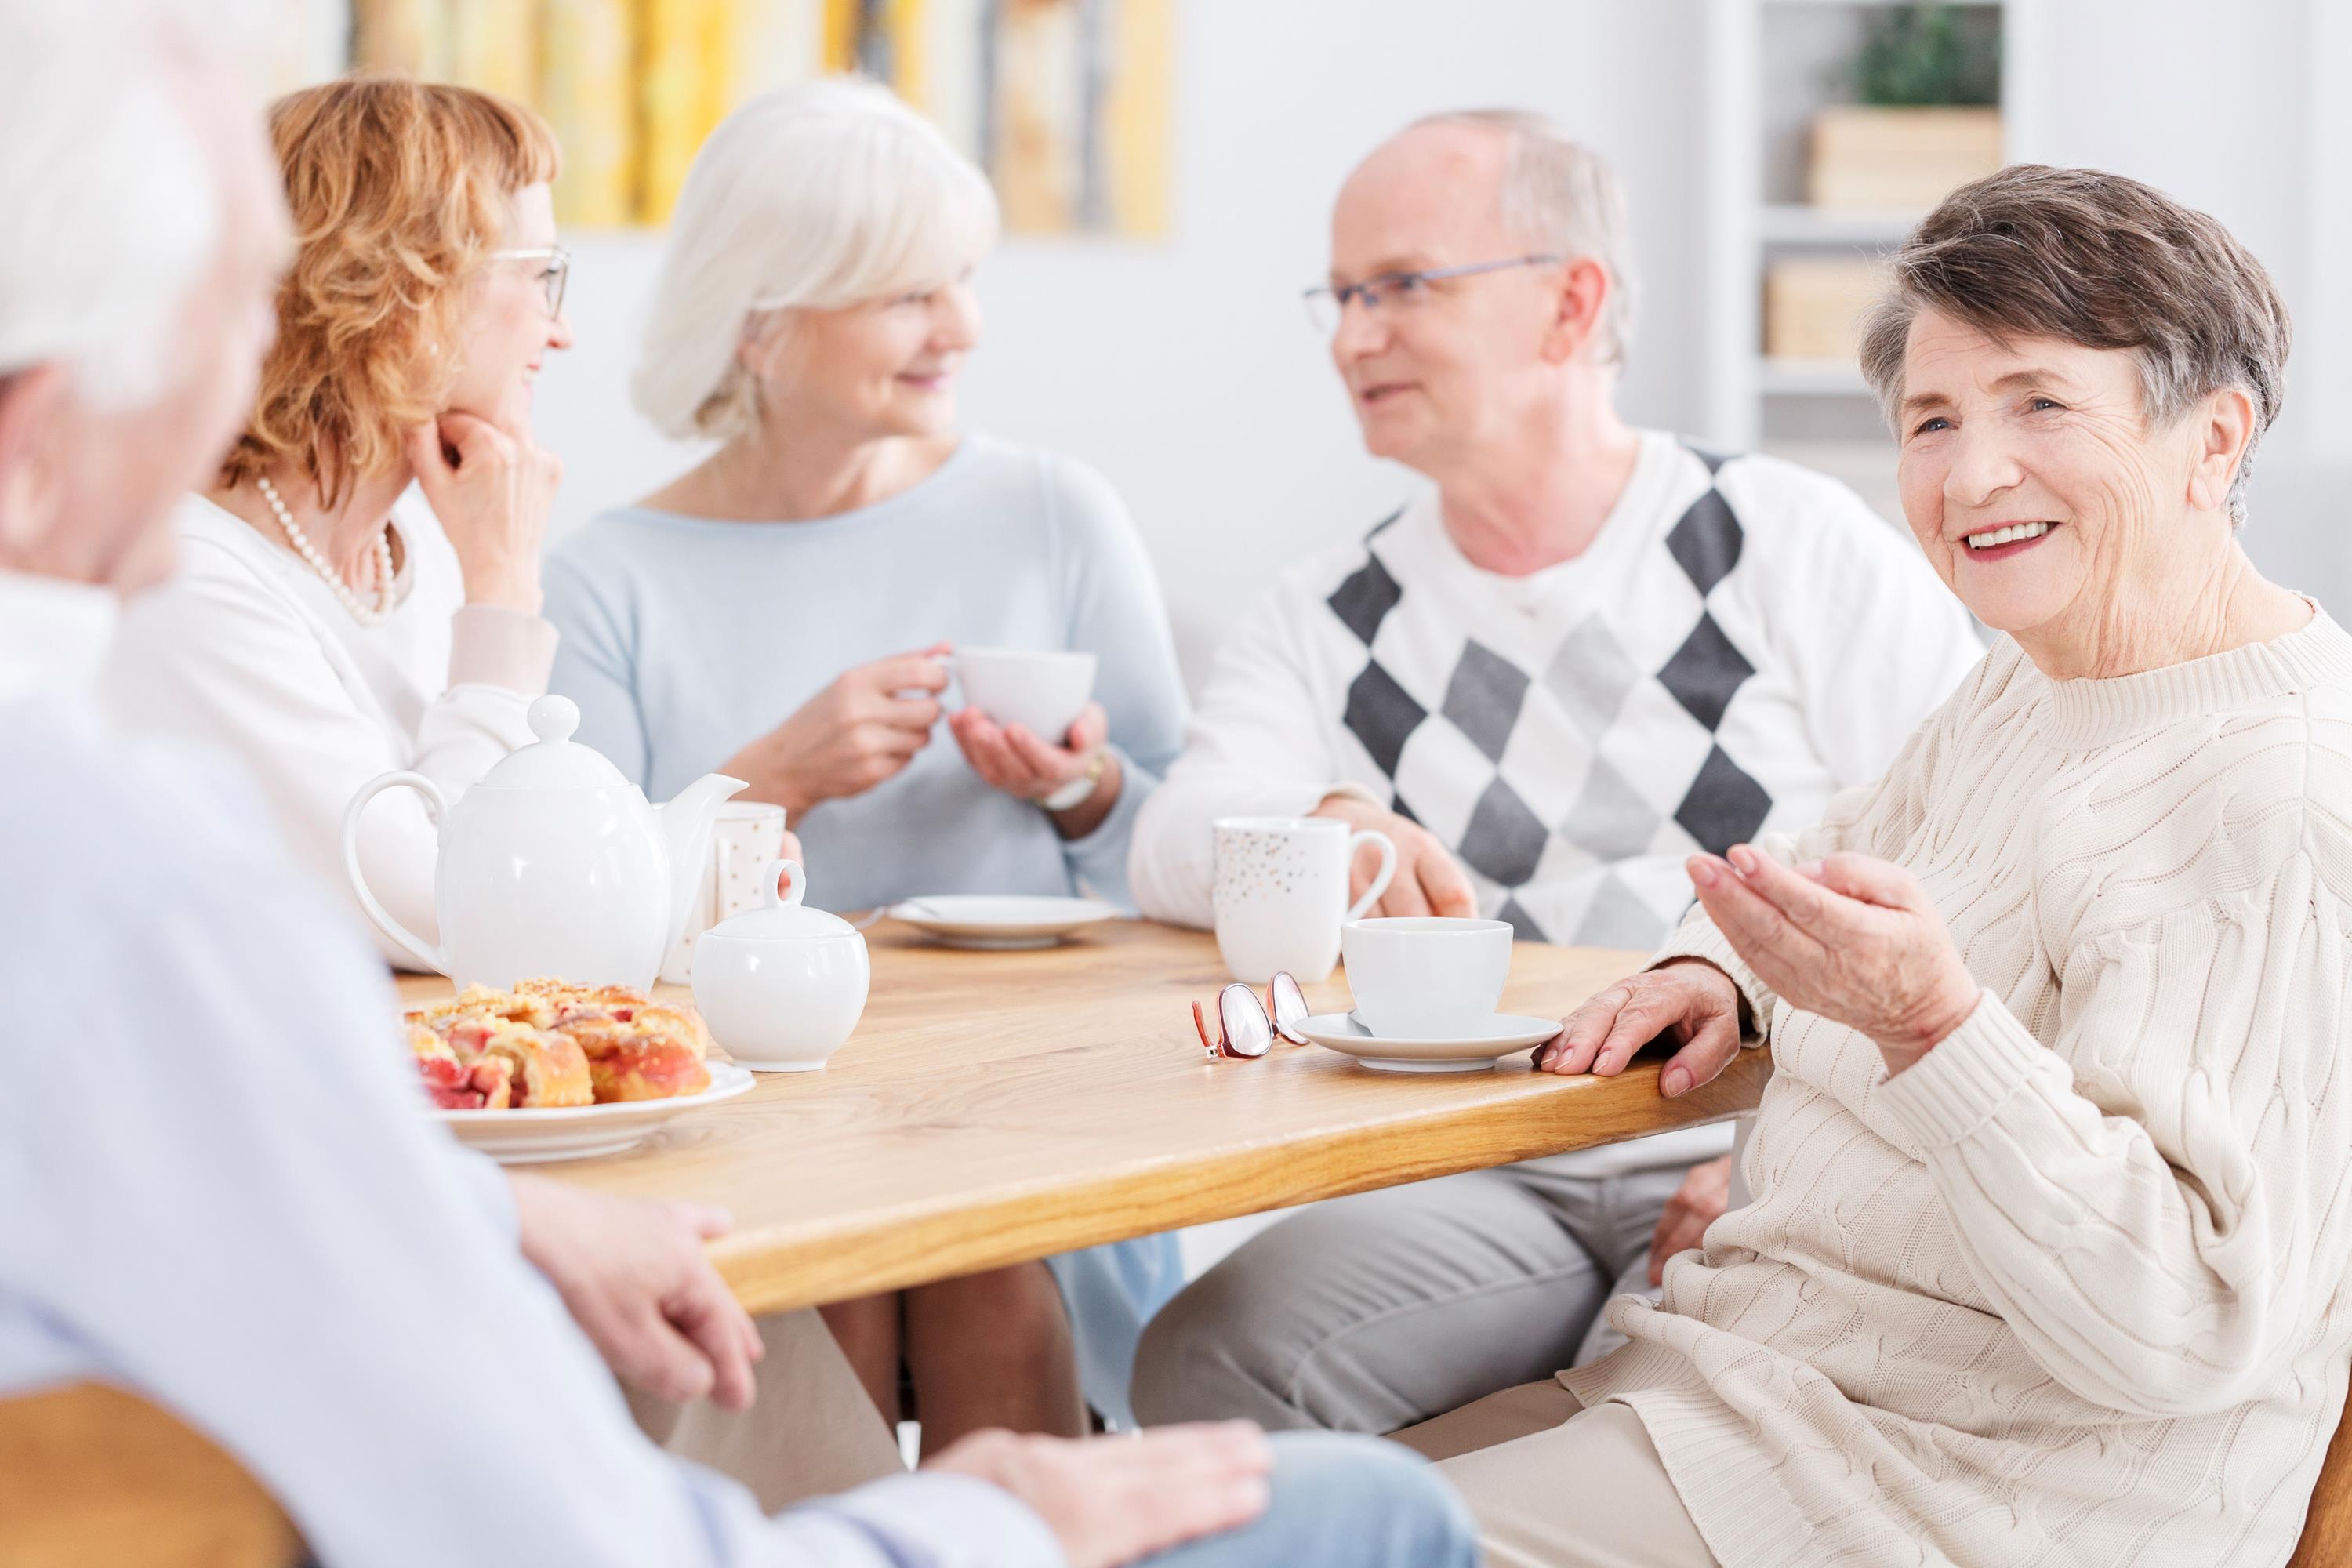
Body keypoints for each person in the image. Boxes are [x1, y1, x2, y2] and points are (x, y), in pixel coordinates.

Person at [0, 7, 1480, 1566]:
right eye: (536, 279)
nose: (559, 329)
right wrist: (989, 1523)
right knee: (1371, 1507)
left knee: (952, 1282)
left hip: (609, 1174)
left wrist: (1087, 790)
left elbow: (554, 913)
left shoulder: (412, 557)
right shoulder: (182, 816)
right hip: (590, 1219)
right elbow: (500, 922)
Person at [1393, 162, 2352, 1568]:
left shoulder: (2281, 792)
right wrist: (1719, 968)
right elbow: (1847, 860)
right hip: (1753, 1396)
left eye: (2040, 404)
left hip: (1962, 1499)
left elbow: (2185, 1320)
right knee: (1245, 1503)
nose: (1973, 475)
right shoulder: (2035, 681)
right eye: (1933, 419)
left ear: (2213, 440)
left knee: (1268, 1532)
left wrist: (1933, 1028)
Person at [1127, 110, 1984, 1436]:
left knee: (1624, 1422)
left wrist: (1803, 1166)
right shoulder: (1328, 614)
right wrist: (1323, 811)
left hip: (1765, 1139)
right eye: (1343, 297)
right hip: (1487, 1158)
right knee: (1206, 1360)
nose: (1354, 337)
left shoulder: (1785, 541)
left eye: (1400, 287)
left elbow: (1969, 857)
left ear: (1570, 302)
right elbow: (1171, 839)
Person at [545, 78, 1187, 1439]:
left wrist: (1081, 787)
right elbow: (566, 935)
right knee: (844, 1243)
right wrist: (771, 775)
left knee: (972, 1253)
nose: (960, 327)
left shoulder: (1054, 514)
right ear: (763, 321)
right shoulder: (609, 577)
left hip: (1043, 1111)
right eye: (908, 293)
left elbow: (1186, 842)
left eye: (961, 279)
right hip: (751, 1126)